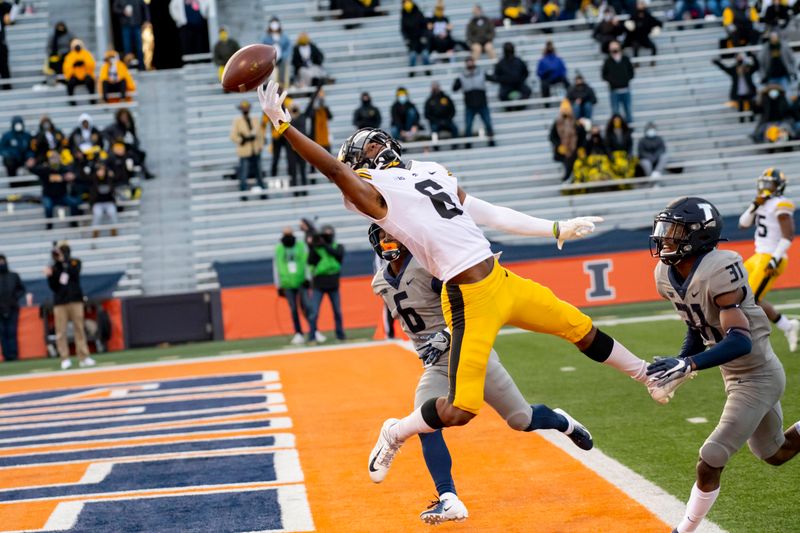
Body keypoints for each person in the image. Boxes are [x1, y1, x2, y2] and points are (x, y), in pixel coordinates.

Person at [256, 81, 689, 492]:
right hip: (467, 299)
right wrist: (284, 125)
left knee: (578, 326)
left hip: (500, 278)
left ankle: (647, 376)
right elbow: (331, 167)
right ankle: (397, 430)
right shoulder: (373, 196)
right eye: (365, 149)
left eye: (374, 141)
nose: (374, 148)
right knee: (461, 410)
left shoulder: (427, 170)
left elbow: (485, 210)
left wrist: (553, 227)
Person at [369, 223, 592, 524]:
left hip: (471, 351)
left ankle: (562, 421)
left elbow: (472, 305)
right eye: (383, 236)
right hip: (436, 364)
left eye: (393, 234)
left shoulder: (428, 267)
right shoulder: (380, 281)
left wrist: (447, 334)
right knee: (425, 421)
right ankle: (448, 499)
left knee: (521, 420)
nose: (389, 240)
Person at [647, 197, 800, 533]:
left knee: (710, 458)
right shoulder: (666, 274)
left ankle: (683, 530)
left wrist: (688, 364)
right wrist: (680, 362)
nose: (664, 238)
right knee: (775, 454)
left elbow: (740, 339)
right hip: (735, 375)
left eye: (674, 232)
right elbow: (696, 324)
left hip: (758, 375)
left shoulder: (720, 268)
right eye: (664, 230)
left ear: (699, 236)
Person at [737, 169, 798, 351]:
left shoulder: (781, 204)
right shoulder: (762, 203)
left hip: (771, 257)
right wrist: (754, 205)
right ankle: (789, 326)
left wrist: (775, 259)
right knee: (741, 294)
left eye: (769, 183)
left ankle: (751, 341)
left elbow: (788, 236)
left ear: (778, 186)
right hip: (758, 256)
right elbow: (743, 224)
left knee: (748, 301)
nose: (764, 187)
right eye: (763, 183)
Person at [46, 242, 95, 370]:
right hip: (60, 303)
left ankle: (83, 357)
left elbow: (74, 273)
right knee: (60, 331)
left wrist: (64, 263)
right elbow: (53, 286)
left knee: (79, 328)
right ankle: (65, 358)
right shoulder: (54, 268)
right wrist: (52, 273)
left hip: (75, 300)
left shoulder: (75, 262)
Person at [306, 224, 345, 343]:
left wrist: (324, 245)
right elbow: (310, 262)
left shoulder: (338, 246)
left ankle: (340, 335)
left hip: (333, 284)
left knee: (337, 312)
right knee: (314, 312)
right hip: (319, 284)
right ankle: (311, 336)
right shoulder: (316, 249)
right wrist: (312, 245)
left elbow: (338, 255)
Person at [274, 227, 311, 345]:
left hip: (300, 280)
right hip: (287, 283)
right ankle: (298, 333)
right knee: (293, 309)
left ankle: (313, 330)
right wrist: (278, 285)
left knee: (306, 307)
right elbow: (276, 267)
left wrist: (308, 278)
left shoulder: (300, 246)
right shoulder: (279, 249)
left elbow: (306, 262)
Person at [31, 151, 81, 229]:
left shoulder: (64, 169)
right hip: (48, 196)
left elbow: (75, 174)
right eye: (52, 158)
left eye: (56, 158)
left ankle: (73, 223)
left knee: (74, 203)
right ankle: (49, 225)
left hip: (62, 196)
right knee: (48, 207)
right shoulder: (45, 169)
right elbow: (34, 170)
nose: (54, 160)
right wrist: (30, 166)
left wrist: (73, 176)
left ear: (59, 159)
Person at [452, 56, 494, 146]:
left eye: (471, 61)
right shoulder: (462, 76)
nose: (470, 64)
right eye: (468, 62)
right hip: (470, 105)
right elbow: (454, 88)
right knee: (468, 126)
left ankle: (491, 141)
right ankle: (468, 144)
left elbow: (493, 78)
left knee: (488, 123)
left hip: (482, 103)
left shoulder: (481, 73)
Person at [230, 100, 266, 200]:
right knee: (243, 174)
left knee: (259, 173)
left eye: (247, 108)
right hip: (245, 151)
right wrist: (243, 140)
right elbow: (233, 136)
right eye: (244, 109)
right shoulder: (237, 121)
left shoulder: (254, 120)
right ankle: (243, 194)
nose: (245, 110)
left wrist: (260, 146)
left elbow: (260, 135)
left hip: (255, 150)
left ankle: (263, 192)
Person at [103, 108, 153, 179]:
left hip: (127, 149)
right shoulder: (114, 127)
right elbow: (104, 133)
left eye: (126, 117)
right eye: (122, 117)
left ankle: (145, 173)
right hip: (116, 150)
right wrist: (113, 141)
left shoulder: (129, 126)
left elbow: (135, 139)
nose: (124, 119)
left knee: (139, 154)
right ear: (119, 117)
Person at [712, 53, 759, 122]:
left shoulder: (748, 68)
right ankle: (741, 120)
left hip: (749, 91)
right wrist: (717, 62)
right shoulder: (734, 69)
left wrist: (753, 56)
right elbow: (725, 68)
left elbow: (756, 66)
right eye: (738, 56)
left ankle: (751, 119)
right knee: (740, 107)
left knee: (751, 106)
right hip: (738, 92)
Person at [549, 100, 584, 181]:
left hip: (575, 148)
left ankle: (568, 178)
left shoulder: (576, 122)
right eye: (564, 109)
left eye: (567, 109)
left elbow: (582, 136)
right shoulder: (557, 122)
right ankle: (567, 177)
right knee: (567, 159)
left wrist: (581, 147)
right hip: (562, 149)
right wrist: (558, 145)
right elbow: (552, 136)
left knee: (572, 159)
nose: (565, 111)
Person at [0, 254, 25, 362]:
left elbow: (21, 289)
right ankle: (6, 355)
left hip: (12, 308)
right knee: (2, 333)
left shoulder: (13, 275)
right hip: (0, 310)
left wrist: (15, 298)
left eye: (2, 261)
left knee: (12, 331)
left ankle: (14, 355)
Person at [602, 42, 635, 123]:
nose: (614, 49)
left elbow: (631, 72)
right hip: (614, 90)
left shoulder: (625, 59)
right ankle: (617, 129)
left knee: (628, 110)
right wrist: (613, 81)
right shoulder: (608, 61)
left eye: (615, 47)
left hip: (625, 89)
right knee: (615, 112)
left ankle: (629, 129)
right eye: (612, 47)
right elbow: (604, 75)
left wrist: (625, 80)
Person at [112, 0, 148, 70]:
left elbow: (145, 7)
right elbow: (115, 8)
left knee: (139, 48)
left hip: (137, 25)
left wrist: (147, 20)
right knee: (127, 48)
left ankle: (142, 67)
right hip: (126, 26)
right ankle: (129, 67)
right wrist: (123, 11)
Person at [62, 39, 97, 105]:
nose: (77, 47)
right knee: (70, 83)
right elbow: (66, 68)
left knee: (90, 80)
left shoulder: (86, 54)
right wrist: (74, 65)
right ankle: (72, 100)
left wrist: (84, 63)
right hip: (75, 76)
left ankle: (92, 99)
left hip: (85, 75)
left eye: (78, 45)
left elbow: (91, 64)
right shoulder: (70, 56)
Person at [89, 162, 118, 238]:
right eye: (99, 170)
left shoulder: (110, 179)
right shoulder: (93, 180)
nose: (101, 172)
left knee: (112, 212)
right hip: (97, 203)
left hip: (109, 202)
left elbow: (117, 180)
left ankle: (114, 230)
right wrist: (91, 204)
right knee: (97, 214)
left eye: (102, 170)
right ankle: (95, 231)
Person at [400, 0, 430, 74]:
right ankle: (412, 72)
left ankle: (428, 70)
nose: (407, 4)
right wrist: (406, 39)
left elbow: (425, 26)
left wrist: (424, 36)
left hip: (421, 40)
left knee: (425, 54)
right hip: (412, 41)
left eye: (408, 2)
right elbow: (403, 30)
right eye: (405, 2)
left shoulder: (418, 13)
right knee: (412, 56)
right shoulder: (404, 16)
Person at [262, 17, 291, 87]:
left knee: (283, 69)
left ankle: (281, 85)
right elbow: (263, 49)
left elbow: (288, 48)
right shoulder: (266, 38)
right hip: (271, 61)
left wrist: (283, 56)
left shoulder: (284, 37)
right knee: (272, 76)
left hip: (282, 60)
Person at [0, 0, 18, 90]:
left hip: (1, 43)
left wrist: (16, 3)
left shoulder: (2, 7)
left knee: (4, 65)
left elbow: (11, 16)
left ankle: (7, 87)